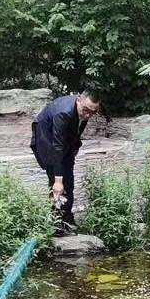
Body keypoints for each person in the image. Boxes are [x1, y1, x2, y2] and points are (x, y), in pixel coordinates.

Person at [31, 91, 101, 229]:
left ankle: (67, 219)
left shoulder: (86, 110)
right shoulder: (63, 113)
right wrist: (58, 181)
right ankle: (56, 224)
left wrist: (74, 148)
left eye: (93, 112)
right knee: (57, 182)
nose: (88, 115)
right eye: (86, 110)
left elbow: (77, 129)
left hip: (64, 138)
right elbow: (57, 147)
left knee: (69, 180)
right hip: (47, 137)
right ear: (79, 100)